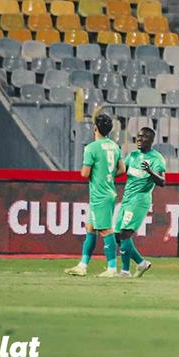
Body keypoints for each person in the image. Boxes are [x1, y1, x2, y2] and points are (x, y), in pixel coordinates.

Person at [65, 113, 125, 277]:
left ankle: (112, 268)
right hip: (109, 191)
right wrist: (108, 175)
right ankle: (82, 265)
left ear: (95, 128)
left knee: (106, 230)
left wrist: (96, 174)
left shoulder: (91, 148)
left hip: (100, 194)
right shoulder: (114, 146)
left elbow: (85, 173)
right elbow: (122, 169)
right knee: (90, 228)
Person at [114, 127, 165, 278]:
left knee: (125, 233)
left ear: (151, 140)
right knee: (117, 236)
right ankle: (141, 263)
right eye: (138, 136)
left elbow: (162, 181)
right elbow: (121, 171)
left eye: (144, 137)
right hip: (127, 199)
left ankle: (125, 271)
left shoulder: (156, 159)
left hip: (139, 199)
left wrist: (150, 171)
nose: (139, 139)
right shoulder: (132, 156)